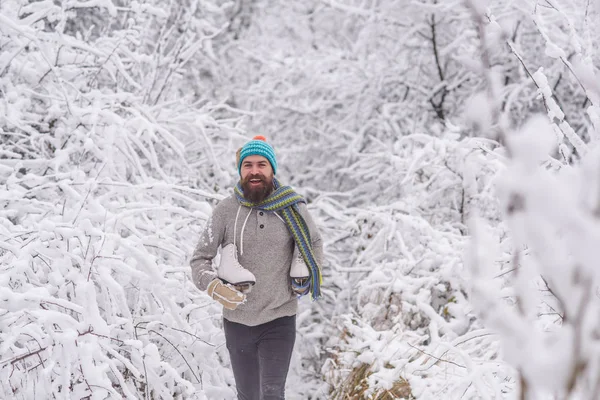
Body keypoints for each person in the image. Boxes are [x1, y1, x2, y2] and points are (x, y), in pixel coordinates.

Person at [190, 135, 324, 400]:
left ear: (272, 169)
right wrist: (214, 287)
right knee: (248, 395)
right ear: (240, 170)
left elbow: (314, 241)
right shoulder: (225, 211)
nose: (254, 171)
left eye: (261, 164)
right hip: (237, 320)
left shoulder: (292, 207)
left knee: (273, 393)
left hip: (279, 316)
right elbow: (199, 260)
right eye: (248, 165)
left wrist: (309, 270)